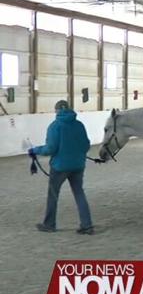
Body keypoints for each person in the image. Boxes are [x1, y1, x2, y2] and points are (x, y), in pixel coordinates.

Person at [31, 100, 94, 235]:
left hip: (60, 167)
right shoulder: (79, 125)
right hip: (78, 165)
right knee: (79, 194)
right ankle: (87, 225)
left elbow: (50, 149)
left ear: (57, 110)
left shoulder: (55, 126)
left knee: (53, 195)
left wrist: (35, 150)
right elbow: (86, 146)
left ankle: (49, 224)